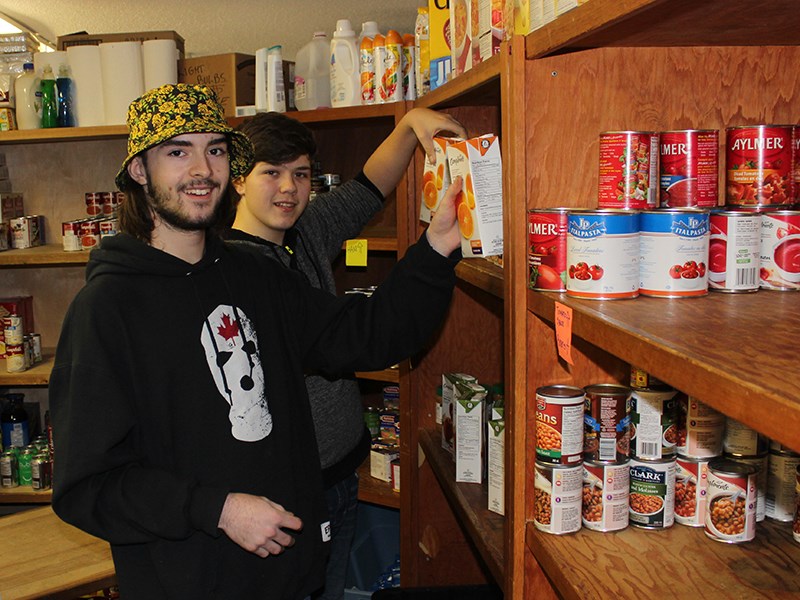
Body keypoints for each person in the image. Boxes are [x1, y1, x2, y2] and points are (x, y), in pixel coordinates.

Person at [49, 83, 464, 600]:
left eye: (215, 150)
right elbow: (87, 486)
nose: (202, 169)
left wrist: (437, 247)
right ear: (139, 171)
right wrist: (218, 509)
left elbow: (366, 335)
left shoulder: (256, 274)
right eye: (178, 151)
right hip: (185, 584)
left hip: (290, 575)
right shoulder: (106, 310)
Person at [224, 108, 466, 600]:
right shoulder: (233, 268)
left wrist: (407, 126)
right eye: (271, 173)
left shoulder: (305, 231)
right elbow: (367, 335)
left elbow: (368, 186)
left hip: (340, 473)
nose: (288, 188)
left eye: (301, 174)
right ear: (238, 181)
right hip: (282, 490)